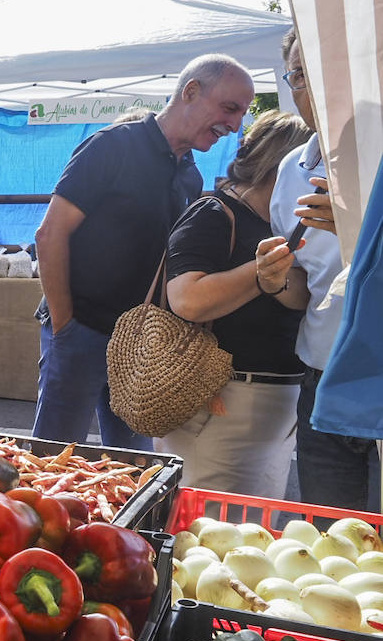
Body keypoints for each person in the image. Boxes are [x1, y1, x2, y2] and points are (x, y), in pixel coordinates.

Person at [33, 53, 255, 449]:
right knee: (54, 458)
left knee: (133, 467)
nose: (236, 124)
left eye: (242, 113)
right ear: (190, 91)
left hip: (139, 345)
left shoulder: (191, 173)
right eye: (230, 108)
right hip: (81, 330)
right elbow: (50, 235)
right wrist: (66, 327)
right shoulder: (112, 146)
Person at [154, 111, 312, 494]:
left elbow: (299, 298)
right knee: (210, 531)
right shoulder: (214, 213)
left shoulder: (283, 224)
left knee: (252, 535)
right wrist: (260, 273)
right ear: (281, 165)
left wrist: (277, 278)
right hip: (221, 403)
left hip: (275, 404)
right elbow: (187, 300)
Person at [270, 27, 381, 510]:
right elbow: (305, 290)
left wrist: (360, 230)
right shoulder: (292, 166)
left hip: (376, 379)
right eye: (298, 74)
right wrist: (273, 280)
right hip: (318, 380)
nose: (311, 88)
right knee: (329, 548)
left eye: (323, 71)